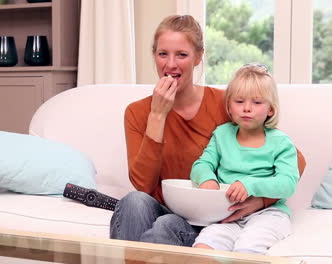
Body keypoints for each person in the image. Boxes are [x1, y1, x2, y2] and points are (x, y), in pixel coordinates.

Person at [109, 14, 306, 247]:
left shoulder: (228, 104)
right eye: (163, 54)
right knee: (133, 201)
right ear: (154, 56)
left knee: (166, 225)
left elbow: (297, 162)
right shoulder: (137, 112)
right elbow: (143, 185)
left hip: (209, 219)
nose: (170, 64)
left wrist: (260, 201)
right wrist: (158, 115)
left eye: (181, 54)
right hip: (162, 208)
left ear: (198, 57)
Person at [190, 64, 299, 254]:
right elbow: (202, 164)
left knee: (247, 248)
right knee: (203, 247)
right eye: (239, 101)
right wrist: (207, 179)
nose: (247, 108)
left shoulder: (281, 142)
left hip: (269, 215)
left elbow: (287, 183)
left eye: (257, 103)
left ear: (271, 110)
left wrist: (250, 184)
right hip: (227, 215)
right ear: (229, 106)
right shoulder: (222, 135)